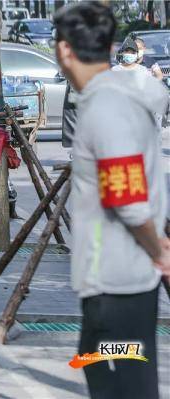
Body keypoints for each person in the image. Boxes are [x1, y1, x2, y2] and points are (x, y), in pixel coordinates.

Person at [53, 3, 170, 398]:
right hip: (121, 277)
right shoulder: (120, 97)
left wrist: (159, 251)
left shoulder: (106, 108)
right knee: (100, 361)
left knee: (120, 380)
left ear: (65, 50)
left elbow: (129, 198)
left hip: (115, 279)